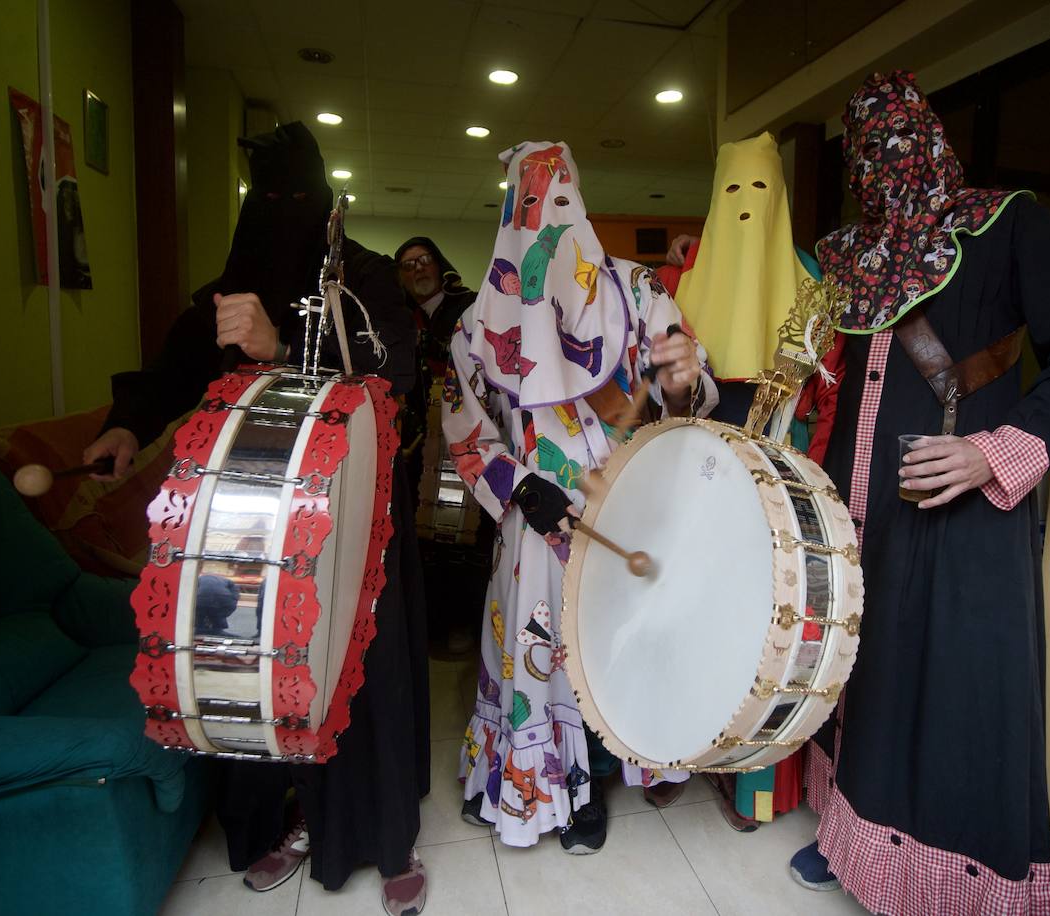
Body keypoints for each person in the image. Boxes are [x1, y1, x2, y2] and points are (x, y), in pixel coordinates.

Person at [787, 71, 1050, 914]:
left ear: (930, 135)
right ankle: (850, 842)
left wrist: (993, 454)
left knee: (954, 691)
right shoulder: (845, 259)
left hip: (966, 518)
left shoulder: (1011, 226)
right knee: (865, 677)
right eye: (865, 143)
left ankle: (948, 892)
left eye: (896, 134)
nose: (883, 157)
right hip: (858, 519)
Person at [81, 122, 431, 915]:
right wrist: (128, 424)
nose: (278, 216)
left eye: (292, 202)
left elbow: (394, 371)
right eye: (264, 203)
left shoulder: (367, 278)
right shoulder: (230, 286)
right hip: (248, 524)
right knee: (263, 673)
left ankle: (384, 834)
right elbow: (177, 364)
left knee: (362, 675)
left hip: (354, 520)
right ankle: (297, 818)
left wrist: (284, 346)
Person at [445, 140, 718, 854]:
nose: (549, 221)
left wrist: (684, 375)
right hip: (535, 526)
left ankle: (604, 765)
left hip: (628, 509)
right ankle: (557, 785)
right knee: (541, 648)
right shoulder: (478, 324)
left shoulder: (640, 293)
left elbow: (683, 396)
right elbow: (464, 428)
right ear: (511, 214)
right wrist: (519, 485)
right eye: (532, 205)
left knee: (616, 641)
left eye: (560, 199)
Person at [656, 131, 841, 831]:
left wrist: (811, 483)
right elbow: (650, 380)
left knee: (768, 633)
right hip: (693, 483)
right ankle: (676, 753)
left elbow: (830, 401)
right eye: (731, 191)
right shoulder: (679, 279)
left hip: (779, 491)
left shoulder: (816, 287)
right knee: (688, 619)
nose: (745, 207)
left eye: (760, 191)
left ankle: (755, 789)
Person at [394, 237, 488, 656]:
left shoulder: (469, 307)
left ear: (440, 263)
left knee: (461, 540)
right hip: (413, 442)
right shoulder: (397, 317)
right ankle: (428, 625)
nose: (418, 270)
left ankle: (462, 625)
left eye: (424, 260)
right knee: (420, 540)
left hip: (461, 439)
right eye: (408, 264)